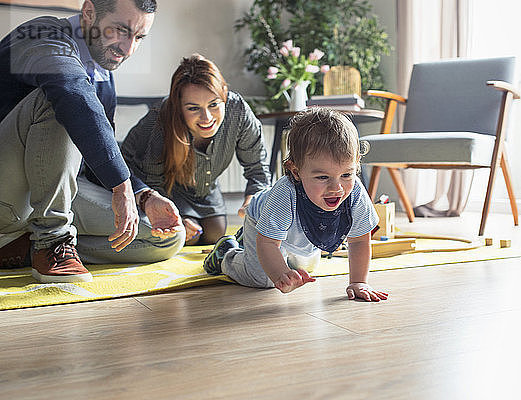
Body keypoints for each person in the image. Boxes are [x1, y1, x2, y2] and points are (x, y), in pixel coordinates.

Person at [0, 0, 156, 282]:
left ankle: (22, 246)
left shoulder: (103, 74)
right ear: (88, 13)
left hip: (48, 195)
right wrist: (119, 185)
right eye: (120, 30)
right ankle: (51, 241)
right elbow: (70, 89)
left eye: (139, 37)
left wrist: (142, 195)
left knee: (162, 237)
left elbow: (95, 155)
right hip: (7, 194)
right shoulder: (40, 34)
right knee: (60, 96)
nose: (129, 48)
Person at [203, 108, 389, 301]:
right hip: (262, 221)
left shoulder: (355, 193)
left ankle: (252, 243)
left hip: (296, 233)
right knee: (263, 279)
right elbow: (267, 243)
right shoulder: (285, 194)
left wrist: (359, 282)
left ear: (356, 164)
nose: (336, 187)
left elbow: (359, 240)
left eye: (346, 175)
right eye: (323, 177)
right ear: (296, 171)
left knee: (305, 269)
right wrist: (280, 274)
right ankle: (226, 253)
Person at [102, 54, 271, 250]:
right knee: (184, 236)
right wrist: (177, 217)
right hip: (156, 184)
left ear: (224, 94)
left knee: (215, 234)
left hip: (204, 186)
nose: (206, 117)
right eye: (193, 108)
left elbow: (258, 168)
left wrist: (252, 201)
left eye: (214, 104)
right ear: (179, 107)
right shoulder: (160, 120)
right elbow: (150, 180)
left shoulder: (238, 110)